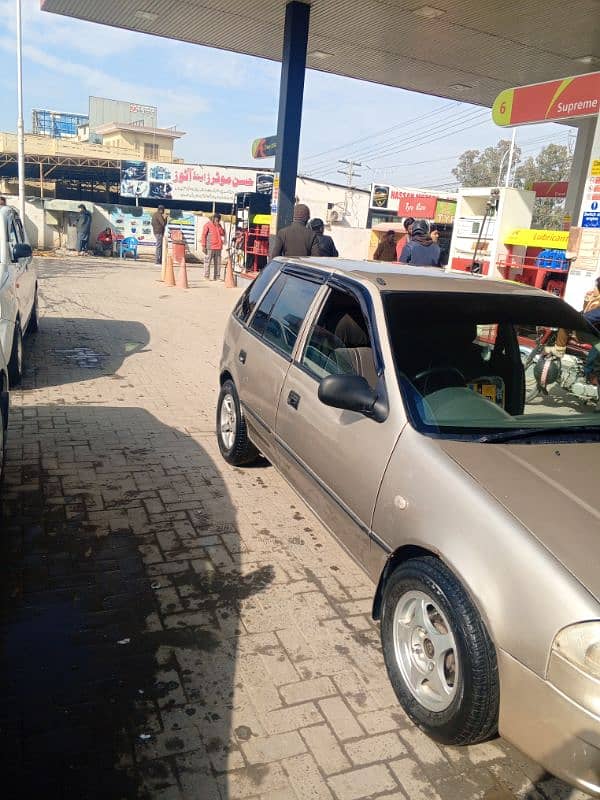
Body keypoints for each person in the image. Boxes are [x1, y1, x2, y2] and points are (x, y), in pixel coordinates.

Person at [202, 213, 226, 280]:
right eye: (216, 219)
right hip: (210, 247)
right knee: (207, 262)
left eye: (218, 220)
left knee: (218, 263)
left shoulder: (219, 225)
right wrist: (203, 246)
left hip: (218, 247)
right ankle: (206, 276)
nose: (217, 221)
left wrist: (219, 227)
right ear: (213, 219)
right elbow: (203, 235)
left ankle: (217, 277)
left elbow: (223, 234)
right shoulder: (207, 225)